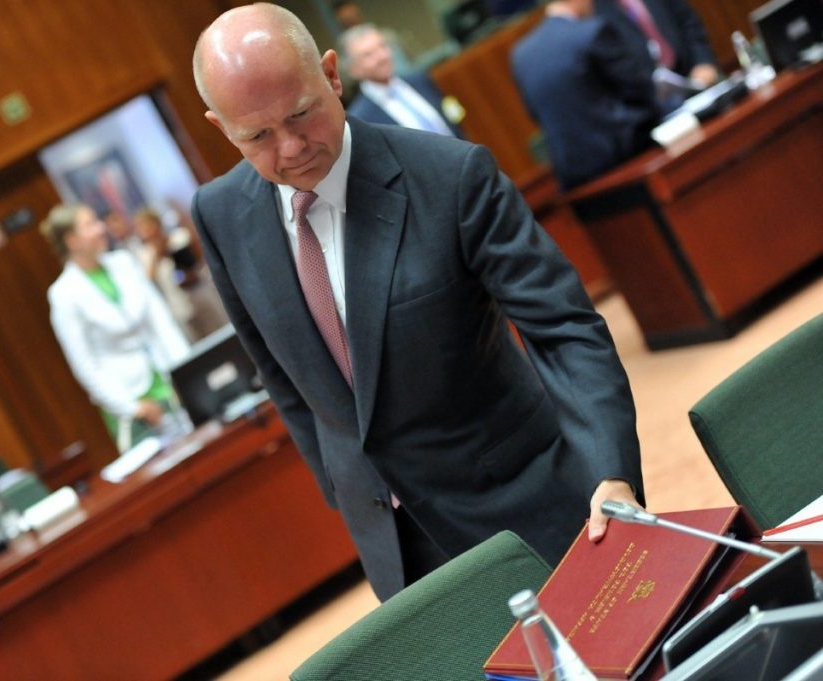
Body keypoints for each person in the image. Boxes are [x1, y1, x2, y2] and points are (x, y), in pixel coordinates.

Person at [191, 3, 643, 601]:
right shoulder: (220, 214)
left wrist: (610, 466)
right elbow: (280, 371)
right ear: (221, 128)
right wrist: (346, 486)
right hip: (394, 544)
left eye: (301, 113)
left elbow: (563, 327)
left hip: (522, 506)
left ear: (331, 75)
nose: (292, 146)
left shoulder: (451, 177)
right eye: (258, 135)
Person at [41, 203, 191, 452]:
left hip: (167, 375)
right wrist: (131, 407)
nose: (101, 228)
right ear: (72, 240)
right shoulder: (64, 293)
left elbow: (160, 321)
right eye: (90, 225)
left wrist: (185, 369)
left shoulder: (123, 263)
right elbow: (84, 364)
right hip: (131, 399)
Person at [511, 0, 661, 189]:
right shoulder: (592, 32)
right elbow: (642, 94)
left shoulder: (521, 55)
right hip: (629, 161)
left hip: (574, 179)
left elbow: (534, 113)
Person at [339, 23, 465, 139]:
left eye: (382, 46)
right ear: (353, 69)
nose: (382, 57)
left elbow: (452, 121)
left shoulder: (420, 80)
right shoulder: (361, 118)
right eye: (368, 55)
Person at [133, 207, 229, 341]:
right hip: (179, 305)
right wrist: (157, 253)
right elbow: (148, 279)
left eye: (147, 224)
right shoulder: (146, 254)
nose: (145, 230)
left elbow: (199, 257)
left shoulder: (179, 237)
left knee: (220, 330)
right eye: (141, 227)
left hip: (199, 292)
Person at [594, 0, 719, 88]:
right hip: (650, 100)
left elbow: (688, 23)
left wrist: (703, 61)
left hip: (693, 75)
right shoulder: (592, 9)